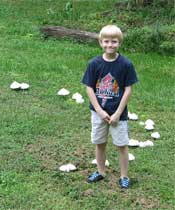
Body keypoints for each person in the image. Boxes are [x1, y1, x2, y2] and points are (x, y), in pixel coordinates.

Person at [82, 25, 138, 189]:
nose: (110, 45)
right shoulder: (94, 64)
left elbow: (128, 89)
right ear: (100, 42)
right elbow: (89, 88)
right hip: (98, 113)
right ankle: (100, 171)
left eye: (114, 42)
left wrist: (118, 113)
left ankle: (124, 176)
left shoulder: (126, 64)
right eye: (106, 41)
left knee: (121, 145)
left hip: (118, 115)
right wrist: (99, 111)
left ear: (119, 43)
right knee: (100, 143)